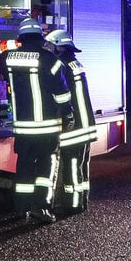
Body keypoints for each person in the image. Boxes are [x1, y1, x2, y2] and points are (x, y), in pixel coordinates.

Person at [0, 18, 72, 224]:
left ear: (21, 37)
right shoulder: (51, 60)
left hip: (22, 127)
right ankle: (42, 207)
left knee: (25, 166)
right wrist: (68, 114)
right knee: (46, 167)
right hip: (47, 127)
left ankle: (22, 208)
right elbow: (62, 94)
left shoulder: (6, 58)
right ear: (40, 37)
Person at [45, 29, 96, 214]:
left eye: (50, 45)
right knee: (82, 165)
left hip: (74, 126)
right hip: (86, 123)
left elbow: (61, 94)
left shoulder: (61, 65)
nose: (47, 49)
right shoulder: (76, 63)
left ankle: (72, 204)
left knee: (72, 164)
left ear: (59, 47)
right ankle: (82, 200)